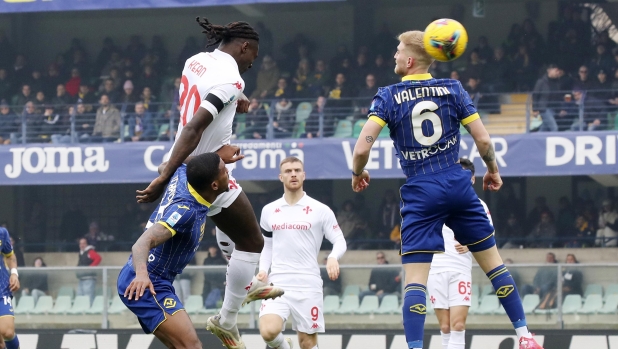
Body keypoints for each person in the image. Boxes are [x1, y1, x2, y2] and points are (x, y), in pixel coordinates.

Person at [351, 30, 542, 349]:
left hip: (421, 190)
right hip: (456, 183)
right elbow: (483, 140)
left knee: (415, 281)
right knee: (495, 266)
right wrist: (492, 170)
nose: (394, 57)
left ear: (409, 60)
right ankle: (525, 336)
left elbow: (361, 149)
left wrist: (358, 173)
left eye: (398, 52)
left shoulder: (387, 96)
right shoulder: (453, 89)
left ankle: (414, 347)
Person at [135, 18, 282, 349]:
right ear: (244, 46)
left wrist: (233, 102)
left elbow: (203, 103)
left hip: (202, 165)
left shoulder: (195, 60)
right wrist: (164, 174)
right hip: (202, 171)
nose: (251, 64)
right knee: (251, 242)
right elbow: (193, 129)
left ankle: (241, 284)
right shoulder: (232, 80)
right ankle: (227, 318)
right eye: (252, 57)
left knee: (238, 230)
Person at [119, 151, 228, 349]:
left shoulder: (182, 175)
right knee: (192, 346)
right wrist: (142, 275)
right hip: (147, 283)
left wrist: (216, 158)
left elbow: (166, 165)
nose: (228, 172)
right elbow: (141, 244)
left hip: (157, 279)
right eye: (224, 170)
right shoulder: (186, 212)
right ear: (214, 185)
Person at [256, 157, 346, 349]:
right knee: (268, 331)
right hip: (278, 281)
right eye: (288, 171)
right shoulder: (269, 210)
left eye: (297, 170)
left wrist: (332, 257)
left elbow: (339, 240)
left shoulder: (320, 210)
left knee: (307, 343)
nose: (293, 174)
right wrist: (263, 270)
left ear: (304, 175)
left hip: (308, 284)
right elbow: (267, 244)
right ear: (281, 177)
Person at [427, 159, 492, 349]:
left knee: (458, 324)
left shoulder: (479, 205)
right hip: (436, 268)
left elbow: (489, 234)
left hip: (460, 269)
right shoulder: (436, 201)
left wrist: (471, 245)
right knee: (445, 326)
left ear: (472, 179)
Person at [0, 227, 20, 349]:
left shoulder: (2, 233)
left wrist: (14, 273)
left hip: (1, 289)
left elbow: (10, 255)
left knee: (7, 332)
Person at [77, 237, 102, 305]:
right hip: (82, 277)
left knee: (88, 295)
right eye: (80, 243)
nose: (82, 245)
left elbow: (98, 258)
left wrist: (90, 268)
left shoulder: (90, 251)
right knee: (80, 294)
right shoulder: (81, 253)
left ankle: (89, 308)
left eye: (84, 243)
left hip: (89, 278)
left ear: (87, 244)